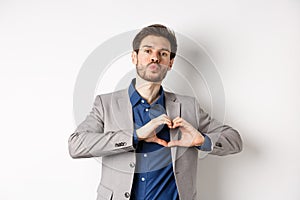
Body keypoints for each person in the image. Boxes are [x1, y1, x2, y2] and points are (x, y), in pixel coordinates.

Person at [68, 24, 243, 200]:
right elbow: (76, 145)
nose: (155, 58)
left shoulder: (188, 106)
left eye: (163, 53)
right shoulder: (106, 104)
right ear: (134, 57)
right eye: (148, 51)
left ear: (170, 63)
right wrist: (134, 136)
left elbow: (234, 140)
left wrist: (202, 140)